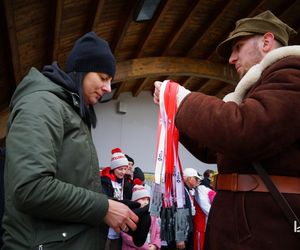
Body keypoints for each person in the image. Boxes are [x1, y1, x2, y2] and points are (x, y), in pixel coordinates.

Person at [153, 10, 300, 250]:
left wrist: (185, 101)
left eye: (238, 47)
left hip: (268, 225)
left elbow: (248, 131)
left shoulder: (293, 73)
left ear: (266, 41)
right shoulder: (260, 88)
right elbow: (215, 150)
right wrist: (174, 111)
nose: (231, 59)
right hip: (248, 223)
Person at [2, 32, 139, 250]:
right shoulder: (41, 104)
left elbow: (73, 185)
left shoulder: (71, 111)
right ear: (81, 70)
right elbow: (30, 189)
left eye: (110, 80)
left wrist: (118, 207)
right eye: (103, 77)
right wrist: (103, 208)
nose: (108, 88)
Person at [101, 147, 132, 249]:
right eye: (120, 169)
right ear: (114, 168)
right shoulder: (105, 181)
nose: (122, 172)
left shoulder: (125, 182)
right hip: (107, 223)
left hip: (119, 224)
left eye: (124, 169)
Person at [121, 185, 161, 250]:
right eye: (143, 199)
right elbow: (126, 236)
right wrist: (146, 247)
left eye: (148, 199)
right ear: (135, 201)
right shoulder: (129, 213)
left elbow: (158, 232)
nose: (146, 202)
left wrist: (155, 245)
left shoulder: (152, 215)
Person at [193, 180, 216, 250]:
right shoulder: (201, 189)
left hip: (205, 224)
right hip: (201, 224)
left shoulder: (207, 190)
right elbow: (205, 207)